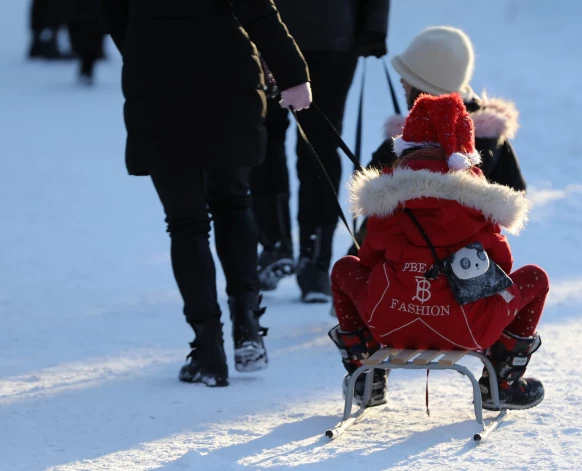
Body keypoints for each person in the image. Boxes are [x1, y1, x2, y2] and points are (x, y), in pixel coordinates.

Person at [100, 0, 311, 387]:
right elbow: (258, 10)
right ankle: (247, 325)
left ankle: (207, 350)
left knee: (185, 222)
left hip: (157, 78)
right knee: (234, 201)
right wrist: (293, 74)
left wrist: (143, 49)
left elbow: (113, 13)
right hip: (227, 73)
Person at [329, 93, 549, 410]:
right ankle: (502, 381)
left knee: (344, 269)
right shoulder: (479, 200)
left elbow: (367, 261)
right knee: (535, 279)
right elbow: (502, 264)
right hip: (469, 328)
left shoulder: (386, 199)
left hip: (389, 322)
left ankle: (366, 376)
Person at [250, 0, 390, 303]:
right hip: (332, 34)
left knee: (265, 140)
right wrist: (373, 27)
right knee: (320, 146)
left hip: (266, 31)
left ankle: (275, 243)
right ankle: (314, 260)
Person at [346, 26, 526, 258]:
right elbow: (515, 188)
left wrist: (355, 259)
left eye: (408, 78)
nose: (401, 81)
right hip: (466, 266)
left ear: (426, 86)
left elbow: (371, 196)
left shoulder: (408, 144)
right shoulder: (490, 138)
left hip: (405, 265)